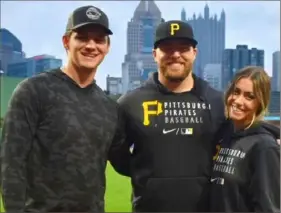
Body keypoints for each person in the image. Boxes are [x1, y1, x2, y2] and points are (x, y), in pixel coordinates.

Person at [116, 20, 280, 212]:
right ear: (155, 54)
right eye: (167, 48)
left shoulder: (217, 101)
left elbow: (242, 132)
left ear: (194, 53)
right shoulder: (130, 102)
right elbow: (117, 153)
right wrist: (150, 176)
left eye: (183, 48)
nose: (175, 55)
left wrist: (270, 134)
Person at [0, 5, 126, 212]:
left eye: (99, 39)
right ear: (67, 42)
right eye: (82, 37)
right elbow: (11, 164)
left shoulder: (110, 107)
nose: (91, 45)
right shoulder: (34, 91)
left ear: (107, 47)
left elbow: (125, 163)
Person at [210, 66, 280, 212]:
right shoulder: (223, 134)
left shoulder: (264, 147)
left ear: (260, 103)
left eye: (249, 97)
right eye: (236, 92)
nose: (238, 101)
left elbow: (269, 207)